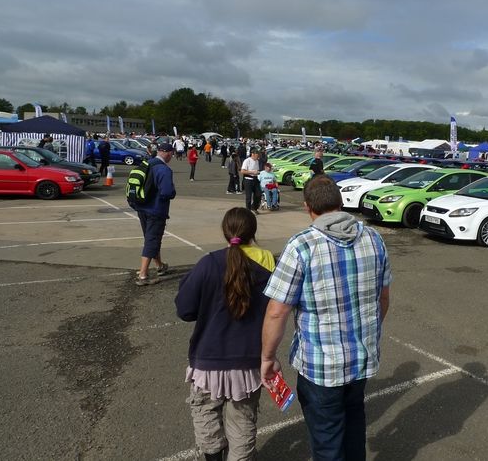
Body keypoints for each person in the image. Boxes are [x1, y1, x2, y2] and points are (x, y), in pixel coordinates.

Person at [261, 175, 392, 460]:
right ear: (341, 203)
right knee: (355, 425)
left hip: (321, 366)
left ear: (308, 207)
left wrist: (267, 358)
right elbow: (383, 298)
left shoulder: (301, 246)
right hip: (362, 359)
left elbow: (277, 311)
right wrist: (366, 334)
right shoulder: (374, 238)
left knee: (327, 441)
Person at [175, 207, 274, 461]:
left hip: (209, 359)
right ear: (253, 232)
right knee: (242, 425)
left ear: (224, 231)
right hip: (249, 361)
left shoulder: (210, 262)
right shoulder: (268, 262)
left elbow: (185, 310)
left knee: (207, 418)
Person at [134, 142, 176, 285]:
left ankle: (159, 265)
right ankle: (143, 274)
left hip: (141, 207)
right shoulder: (164, 170)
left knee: (150, 237)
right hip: (156, 209)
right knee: (152, 239)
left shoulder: (147, 163)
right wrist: (173, 192)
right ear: (169, 153)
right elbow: (167, 192)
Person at [240, 148, 262, 213]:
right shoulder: (247, 161)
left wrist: (258, 172)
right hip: (248, 179)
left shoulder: (257, 161)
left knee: (258, 194)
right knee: (249, 196)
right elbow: (242, 171)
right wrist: (252, 172)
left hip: (255, 179)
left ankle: (254, 207)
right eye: (257, 155)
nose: (258, 157)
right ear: (252, 154)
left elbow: (257, 170)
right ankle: (248, 210)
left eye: (258, 155)